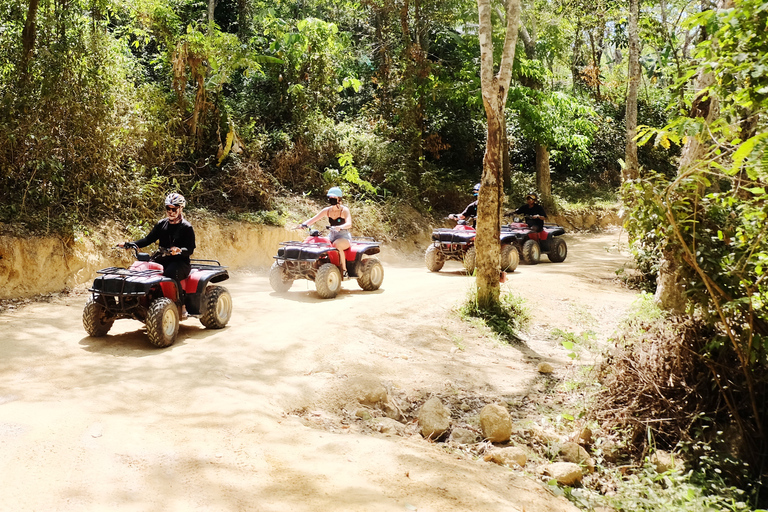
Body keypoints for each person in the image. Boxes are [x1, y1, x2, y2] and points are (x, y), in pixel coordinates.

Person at [119, 192, 196, 283]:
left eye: (174, 209)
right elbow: (148, 239)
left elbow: (190, 249)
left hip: (180, 263)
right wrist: (129, 244)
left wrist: (179, 250)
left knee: (170, 275)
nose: (170, 212)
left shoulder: (186, 227)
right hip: (161, 258)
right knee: (139, 270)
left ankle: (177, 297)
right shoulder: (161, 224)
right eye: (168, 208)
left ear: (181, 208)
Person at [299, 187, 352, 277]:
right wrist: (303, 224)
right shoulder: (327, 210)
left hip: (343, 236)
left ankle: (344, 270)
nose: (331, 200)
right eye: (330, 198)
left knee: (336, 245)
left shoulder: (344, 210)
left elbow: (349, 224)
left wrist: (340, 227)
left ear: (339, 199)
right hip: (331, 235)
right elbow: (314, 219)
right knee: (319, 243)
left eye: (334, 198)